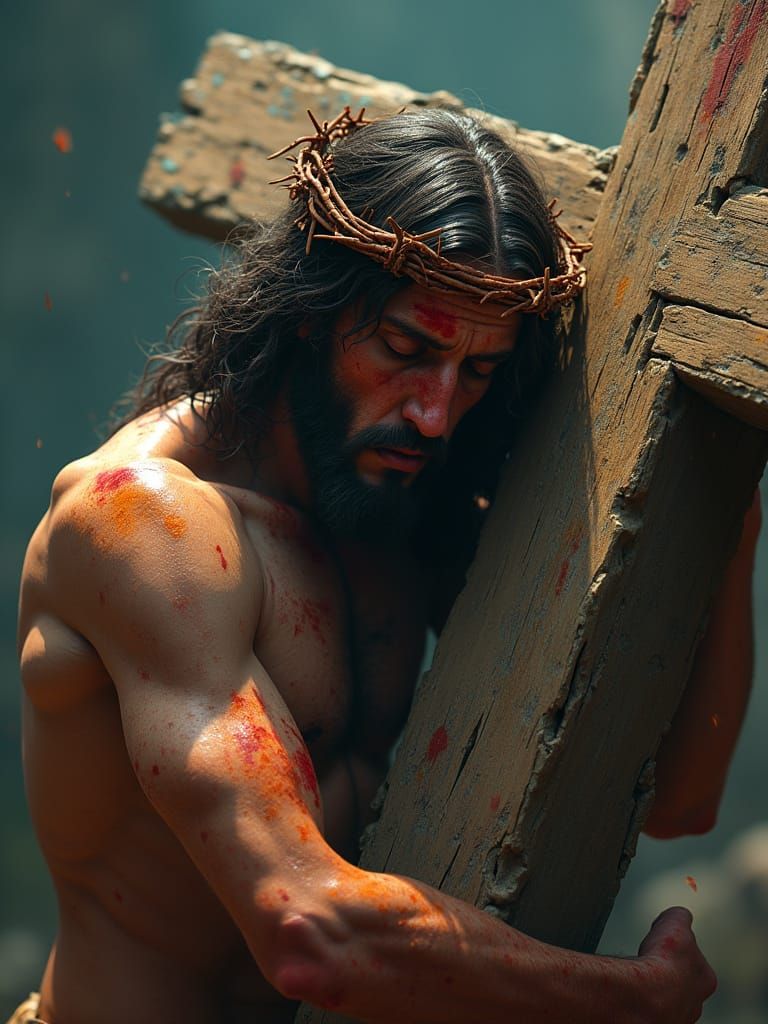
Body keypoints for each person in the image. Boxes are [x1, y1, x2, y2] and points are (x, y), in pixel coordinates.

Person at [17, 104, 751, 1024]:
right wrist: (626, 1000)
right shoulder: (145, 525)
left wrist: (723, 506)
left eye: (479, 373)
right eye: (408, 349)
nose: (437, 413)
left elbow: (677, 799)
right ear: (310, 313)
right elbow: (307, 933)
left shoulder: (404, 506)